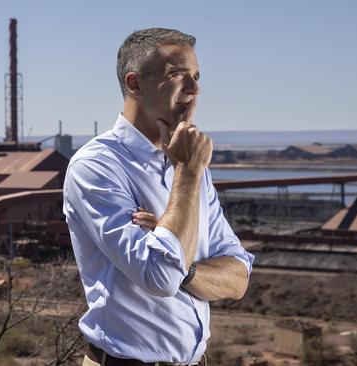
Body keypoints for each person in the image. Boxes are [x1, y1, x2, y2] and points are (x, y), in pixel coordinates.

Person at [62, 28, 255, 366]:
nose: (195, 90)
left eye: (196, 77)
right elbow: (161, 278)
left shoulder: (189, 164)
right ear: (134, 84)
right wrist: (188, 174)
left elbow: (238, 278)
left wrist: (184, 264)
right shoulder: (96, 166)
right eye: (178, 76)